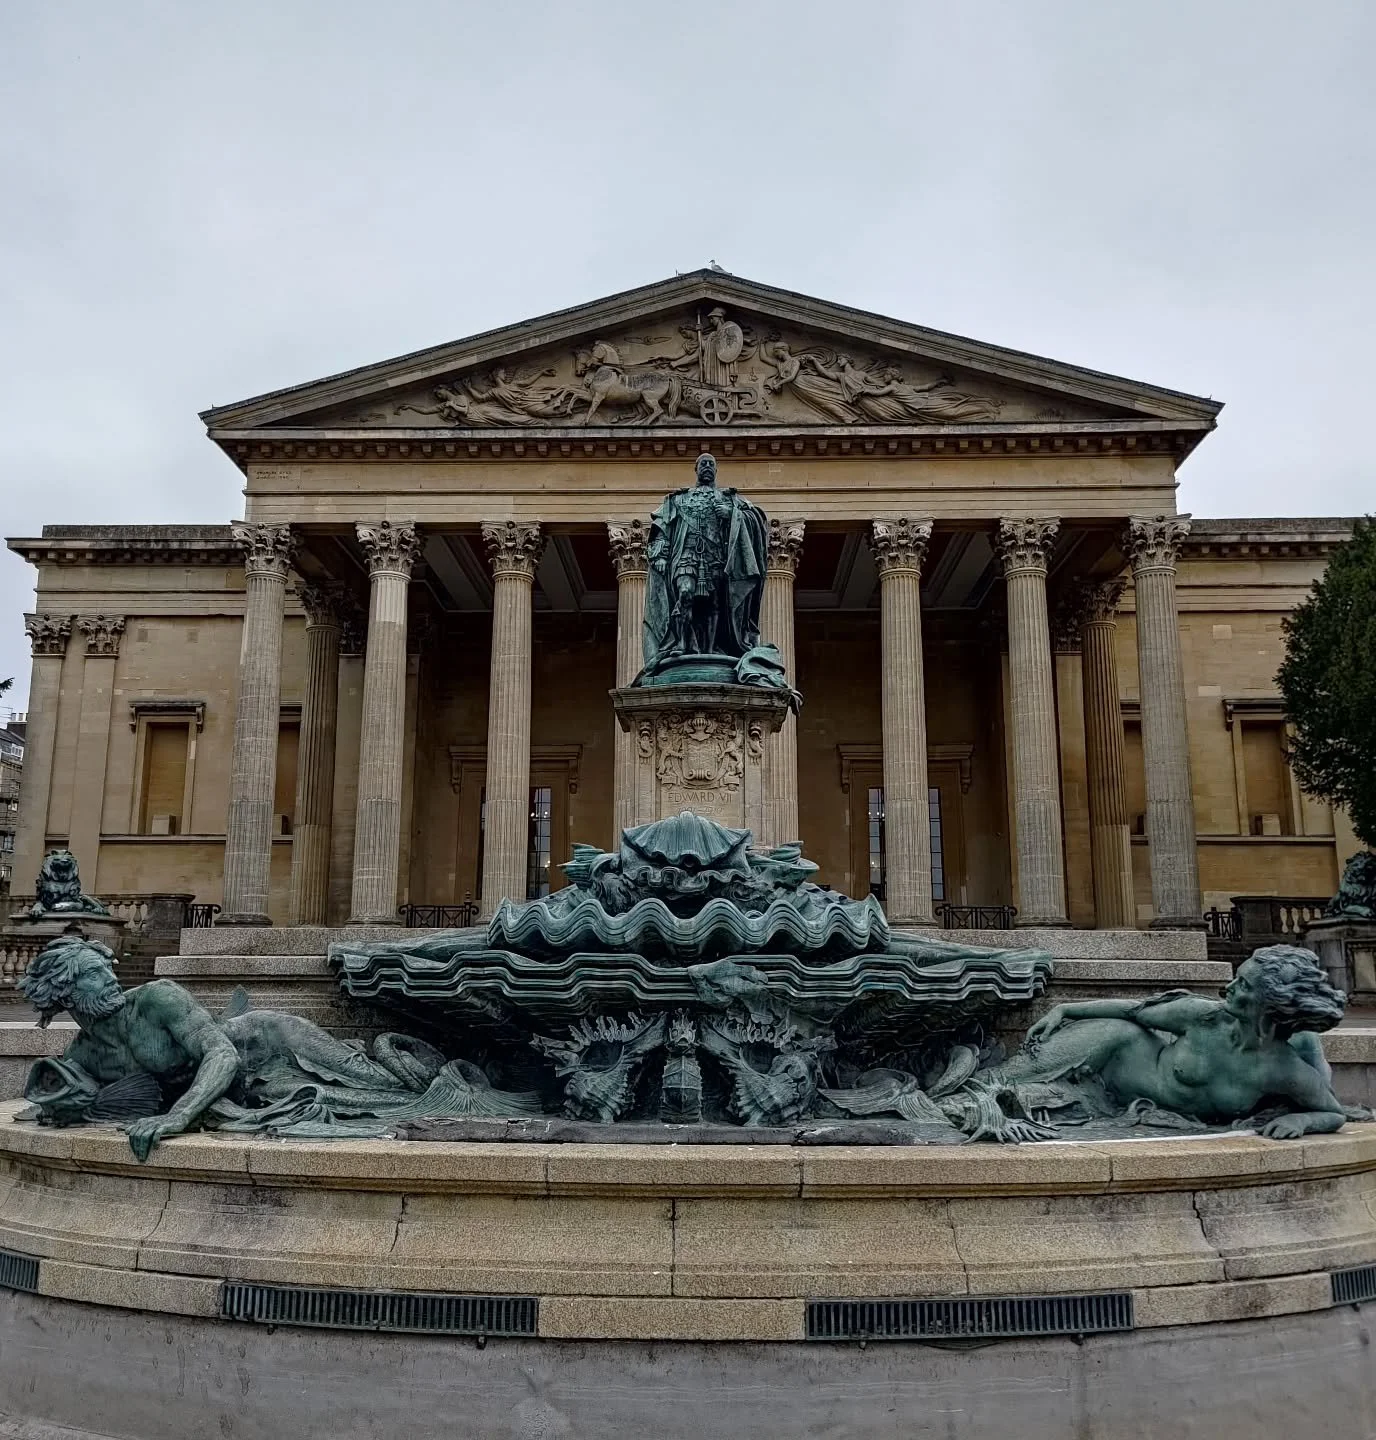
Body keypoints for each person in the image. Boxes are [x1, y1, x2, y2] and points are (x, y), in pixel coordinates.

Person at [999, 944, 1357, 1138]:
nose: (1229, 988)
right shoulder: (1205, 1015)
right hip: (1115, 1049)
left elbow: (1331, 1112)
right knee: (1001, 1085)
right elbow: (1134, 1011)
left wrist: (1302, 1122)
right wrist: (1066, 1010)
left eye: (1244, 985)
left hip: (1145, 1108)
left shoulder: (1283, 1068)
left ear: (1269, 1003)